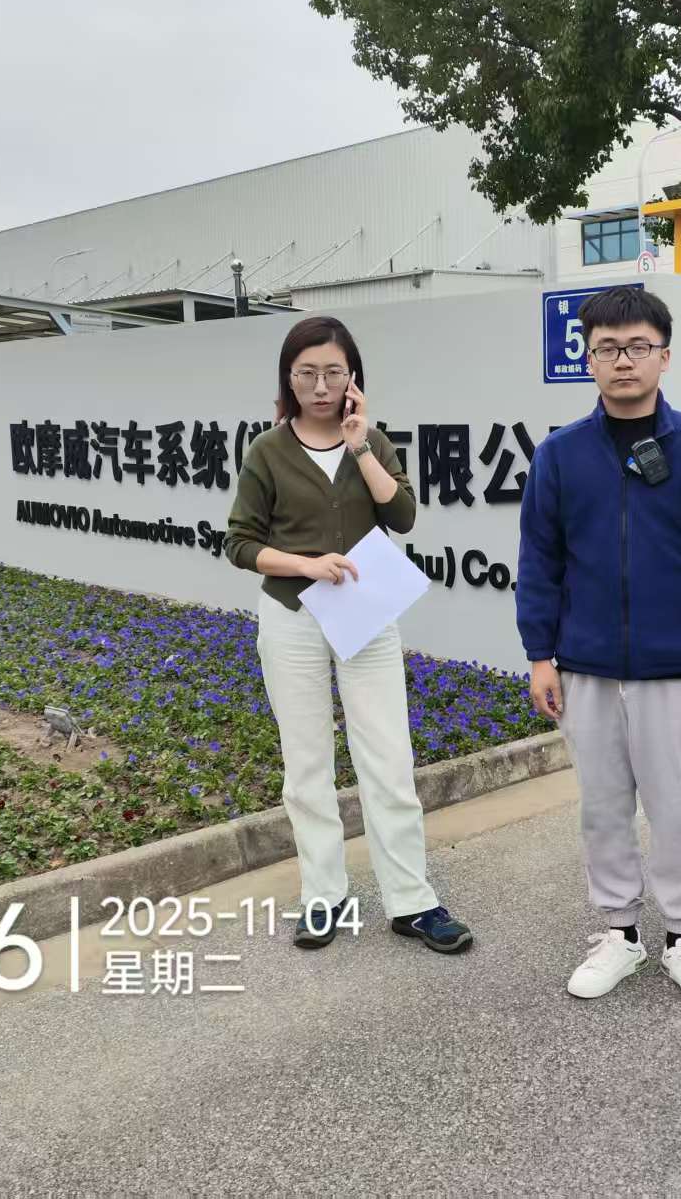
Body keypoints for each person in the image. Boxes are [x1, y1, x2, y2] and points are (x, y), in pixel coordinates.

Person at [516, 285, 681, 1010]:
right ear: (588, 357)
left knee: (676, 808)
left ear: (664, 356)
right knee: (603, 806)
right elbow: (540, 560)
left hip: (674, 667)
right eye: (608, 348)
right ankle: (620, 931)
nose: (623, 361)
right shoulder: (560, 455)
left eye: (638, 346)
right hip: (585, 665)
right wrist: (540, 653)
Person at [225, 315, 472, 954]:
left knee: (388, 758)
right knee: (306, 761)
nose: (320, 385)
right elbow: (240, 543)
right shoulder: (267, 451)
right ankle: (324, 896)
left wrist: (360, 446)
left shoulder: (373, 442)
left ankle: (412, 900)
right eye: (306, 373)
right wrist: (305, 565)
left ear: (353, 378)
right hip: (293, 616)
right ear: (288, 378)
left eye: (333, 372)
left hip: (366, 616)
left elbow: (403, 515)